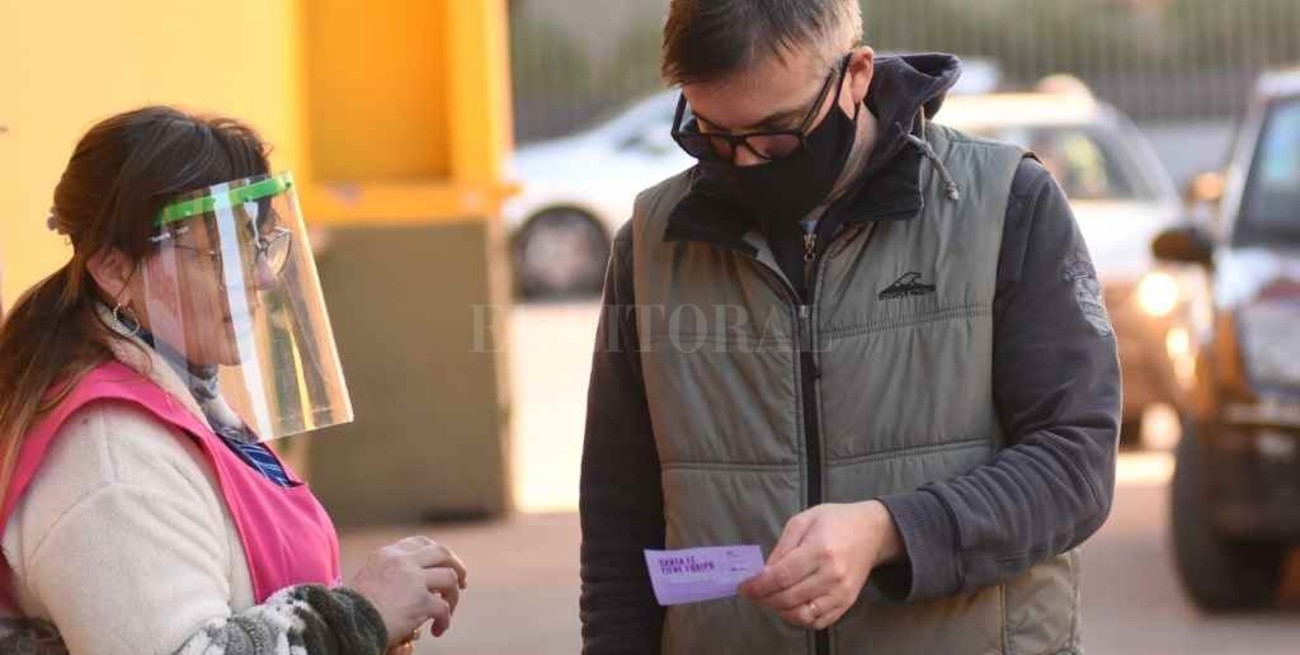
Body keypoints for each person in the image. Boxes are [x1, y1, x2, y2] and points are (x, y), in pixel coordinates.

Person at [580, 1, 1121, 653]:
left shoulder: (1005, 204)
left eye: (778, 134)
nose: (745, 164)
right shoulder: (650, 245)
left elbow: (1074, 465)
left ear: (856, 75)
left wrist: (891, 529)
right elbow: (619, 518)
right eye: (711, 136)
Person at [0, 106, 466, 655]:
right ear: (114, 268)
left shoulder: (179, 400)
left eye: (261, 243)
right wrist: (359, 615)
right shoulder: (109, 455)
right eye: (224, 250)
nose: (264, 276)